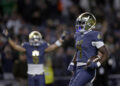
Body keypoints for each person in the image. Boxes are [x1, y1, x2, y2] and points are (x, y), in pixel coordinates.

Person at [67, 12, 108, 86]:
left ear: (89, 23)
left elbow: (105, 53)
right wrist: (73, 62)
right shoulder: (77, 35)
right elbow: (78, 51)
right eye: (79, 23)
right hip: (78, 68)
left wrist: (97, 64)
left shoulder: (94, 35)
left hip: (87, 68)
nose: (79, 25)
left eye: (82, 23)